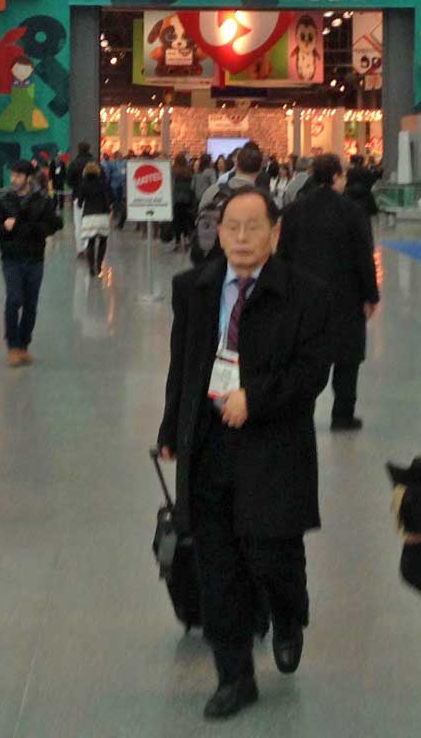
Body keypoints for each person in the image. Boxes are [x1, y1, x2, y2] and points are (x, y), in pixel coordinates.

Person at [157, 188, 331, 720]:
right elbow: (182, 365)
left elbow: (311, 374)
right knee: (218, 566)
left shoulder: (306, 294)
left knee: (271, 552)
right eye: (230, 225)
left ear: (275, 233)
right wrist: (171, 427)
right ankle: (234, 676)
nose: (239, 237)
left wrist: (256, 399)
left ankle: (288, 612)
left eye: (252, 226)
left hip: (272, 445)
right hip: (208, 446)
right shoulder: (196, 288)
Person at [278, 154, 380, 432]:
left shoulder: (294, 211)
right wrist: (371, 295)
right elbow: (363, 257)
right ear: (336, 176)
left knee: (306, 356)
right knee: (347, 358)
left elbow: (283, 256)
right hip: (345, 296)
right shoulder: (352, 211)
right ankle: (342, 415)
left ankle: (301, 412)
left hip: (303, 296)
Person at [0, 161, 63, 366]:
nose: (13, 179)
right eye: (12, 175)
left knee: (31, 303)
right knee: (14, 299)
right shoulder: (4, 201)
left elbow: (55, 224)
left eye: (18, 176)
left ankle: (24, 344)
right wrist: (4, 226)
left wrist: (36, 228)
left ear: (28, 178)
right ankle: (12, 345)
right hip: (11, 257)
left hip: (34, 257)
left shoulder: (42, 201)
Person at [75, 160, 113, 277]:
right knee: (103, 241)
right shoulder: (103, 183)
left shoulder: (83, 185)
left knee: (90, 242)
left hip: (89, 216)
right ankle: (99, 265)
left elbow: (80, 203)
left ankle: (91, 268)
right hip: (102, 215)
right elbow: (110, 198)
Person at [68, 142, 95, 256]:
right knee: (90, 223)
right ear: (89, 149)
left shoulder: (74, 163)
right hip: (92, 197)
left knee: (78, 223)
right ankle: (89, 246)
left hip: (78, 196)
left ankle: (80, 249)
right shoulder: (94, 162)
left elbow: (69, 181)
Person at [171, 153, 197, 253]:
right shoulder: (189, 170)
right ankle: (186, 240)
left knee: (177, 221)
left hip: (176, 199)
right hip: (187, 199)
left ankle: (177, 242)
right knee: (186, 220)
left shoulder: (174, 170)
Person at [344, 153, 379, 219]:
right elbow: (372, 180)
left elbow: (347, 183)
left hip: (352, 197)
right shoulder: (367, 171)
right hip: (366, 197)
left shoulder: (350, 171)